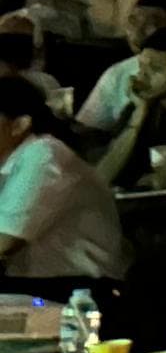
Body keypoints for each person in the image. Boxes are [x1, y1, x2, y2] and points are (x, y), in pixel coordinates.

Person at [0, 73, 126, 284]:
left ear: (19, 125)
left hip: (80, 292)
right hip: (35, 289)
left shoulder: (43, 155)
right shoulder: (11, 159)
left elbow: (4, 242)